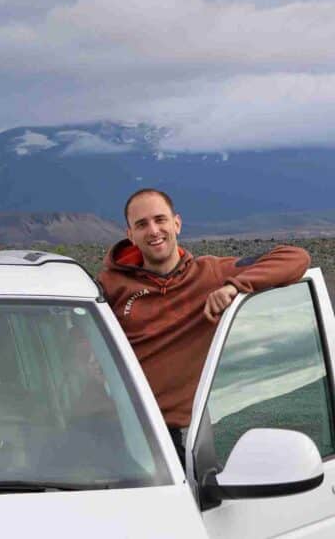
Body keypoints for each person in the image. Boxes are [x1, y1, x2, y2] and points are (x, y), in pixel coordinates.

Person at [97, 188, 310, 463]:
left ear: (177, 223)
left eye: (160, 220)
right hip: (122, 429)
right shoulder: (111, 286)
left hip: (182, 434)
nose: (153, 231)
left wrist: (235, 287)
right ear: (131, 235)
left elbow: (295, 257)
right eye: (142, 224)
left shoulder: (210, 273)